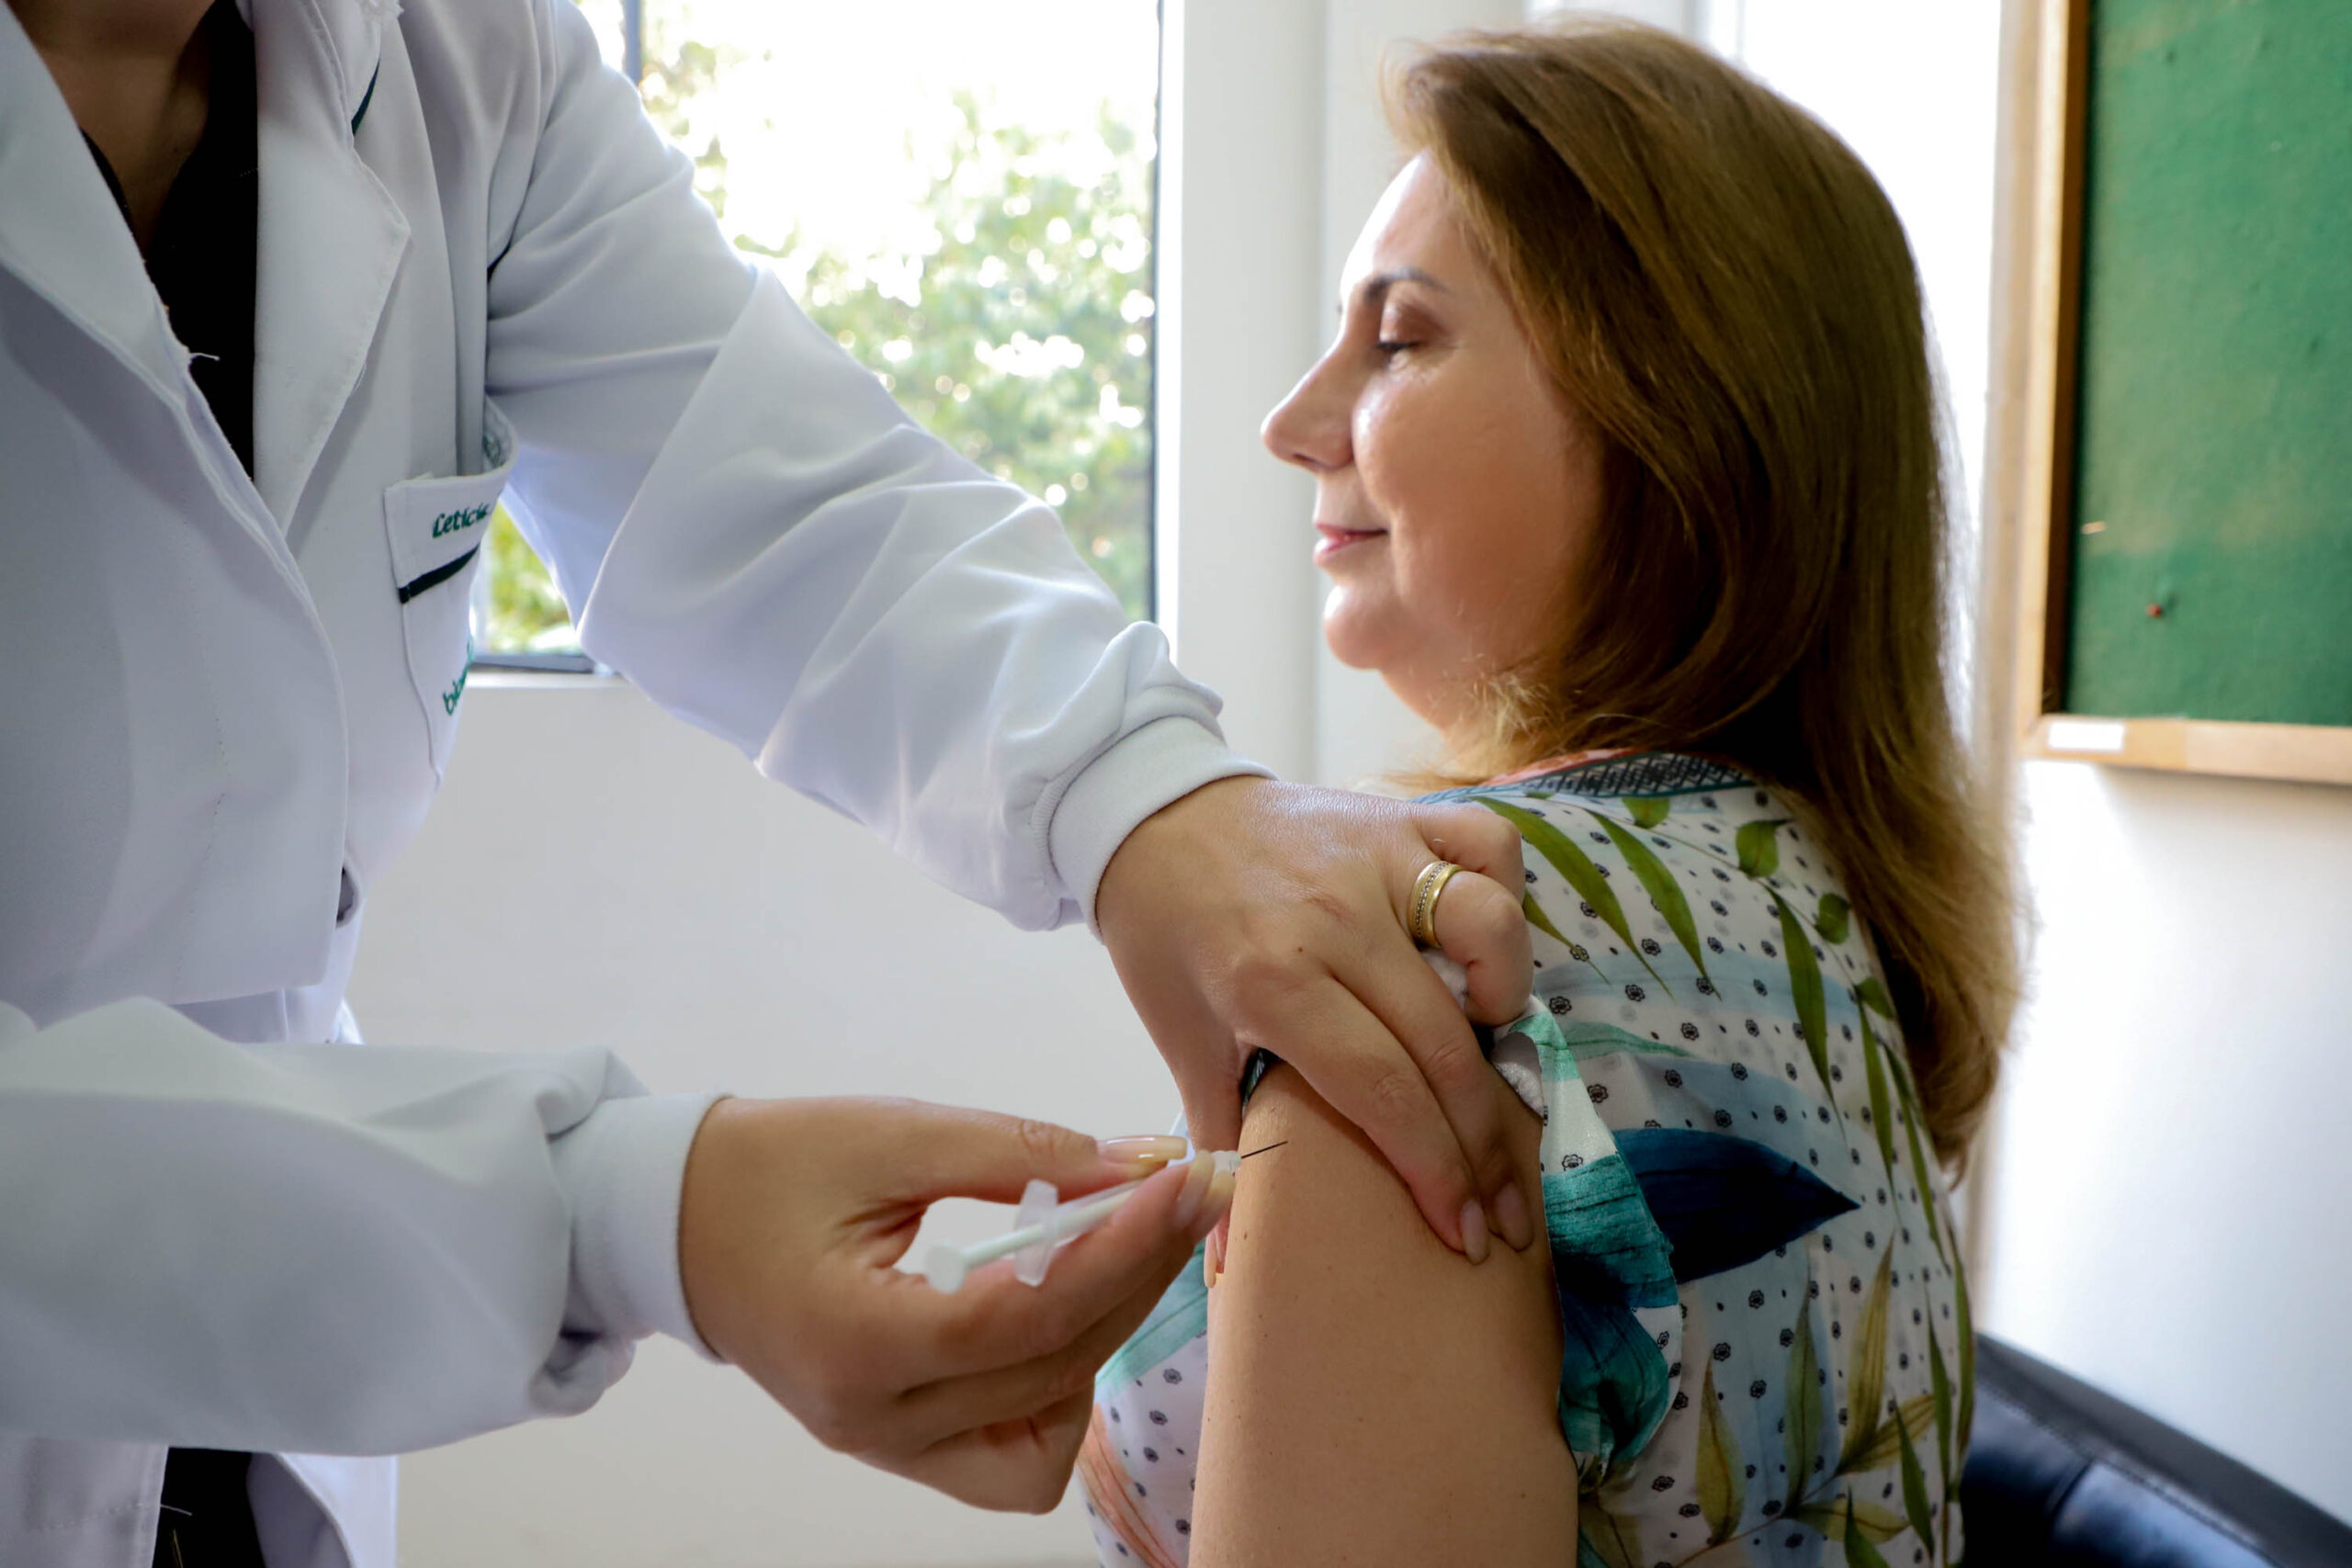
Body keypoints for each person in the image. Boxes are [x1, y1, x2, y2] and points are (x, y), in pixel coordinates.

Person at [0, 0, 1548, 1563]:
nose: (1290, 426)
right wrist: (618, 1213)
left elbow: (778, 497)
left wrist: (1151, 794)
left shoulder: (453, 54)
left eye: (1404, 336)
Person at [1080, 21, 2019, 1568]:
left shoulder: (1431, 962)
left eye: (1400, 339)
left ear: (1674, 412)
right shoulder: (1809, 897)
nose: (1293, 421)